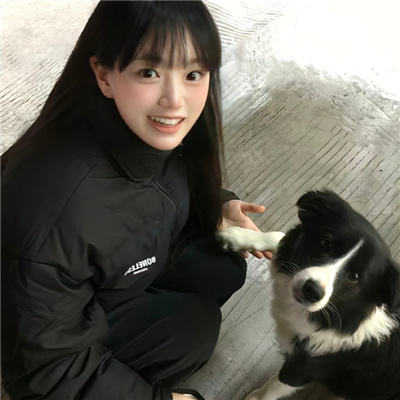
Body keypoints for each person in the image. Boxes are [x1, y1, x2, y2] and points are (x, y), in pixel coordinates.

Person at [1, 1, 271, 399]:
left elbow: (159, 185)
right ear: (105, 76)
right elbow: (44, 367)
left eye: (193, 74)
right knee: (193, 331)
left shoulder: (141, 129)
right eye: (149, 72)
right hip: (44, 327)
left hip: (115, 272)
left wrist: (216, 206)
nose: (175, 99)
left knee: (222, 265)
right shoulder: (54, 205)